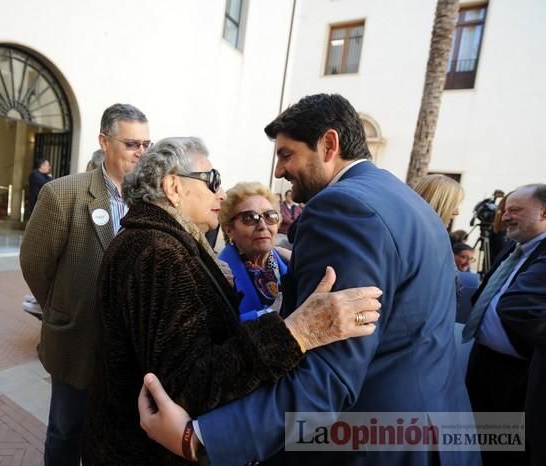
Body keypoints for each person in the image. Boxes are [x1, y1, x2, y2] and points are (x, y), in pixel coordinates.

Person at [138, 94, 477, 466]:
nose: (279, 172)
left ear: (329, 145)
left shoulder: (341, 209)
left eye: (286, 155)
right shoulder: (407, 200)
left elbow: (330, 372)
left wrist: (201, 439)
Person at [82, 138, 381, 465]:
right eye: (212, 181)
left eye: (270, 215)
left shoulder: (160, 242)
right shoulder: (158, 251)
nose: (220, 194)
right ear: (173, 187)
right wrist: (295, 332)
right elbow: (185, 385)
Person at [20, 103, 149, 465]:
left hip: (129, 350)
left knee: (111, 435)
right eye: (131, 144)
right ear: (104, 142)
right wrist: (61, 306)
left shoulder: (153, 199)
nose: (141, 153)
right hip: (77, 340)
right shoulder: (62, 194)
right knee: (65, 430)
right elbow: (35, 263)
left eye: (146, 145)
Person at [463, 184, 546, 466]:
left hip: (518, 373)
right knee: (477, 439)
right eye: (505, 209)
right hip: (484, 361)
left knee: (506, 451)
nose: (506, 217)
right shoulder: (514, 246)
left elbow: (522, 308)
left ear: (544, 213)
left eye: (516, 210)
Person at [218, 182, 287, 321]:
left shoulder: (289, 262)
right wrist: (268, 314)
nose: (263, 226)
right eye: (249, 217)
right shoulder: (220, 273)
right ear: (229, 229)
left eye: (270, 216)